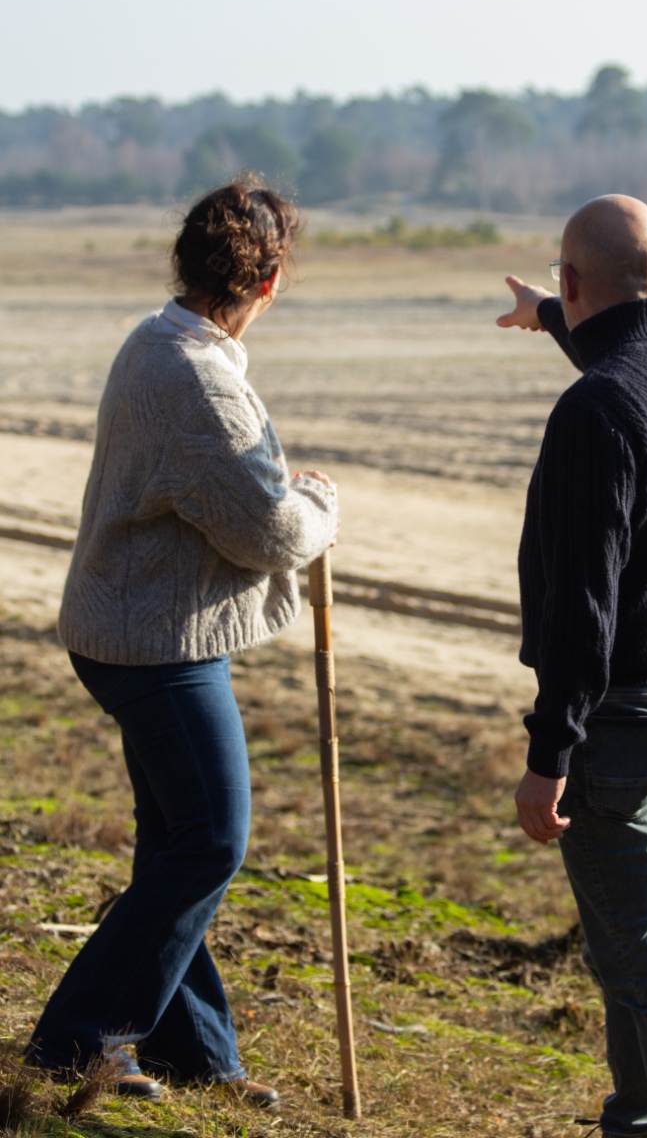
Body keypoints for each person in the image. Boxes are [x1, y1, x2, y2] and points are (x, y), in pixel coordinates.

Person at [26, 176, 339, 1108]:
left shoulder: (162, 338)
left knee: (175, 845)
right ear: (270, 278)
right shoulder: (195, 375)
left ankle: (195, 1053)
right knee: (211, 841)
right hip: (151, 643)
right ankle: (81, 1039)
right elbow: (268, 533)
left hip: (135, 626)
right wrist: (322, 506)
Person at [497, 195, 647, 1138]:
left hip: (621, 729)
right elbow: (623, 374)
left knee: (646, 957)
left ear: (570, 279)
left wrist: (547, 756)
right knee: (625, 945)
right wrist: (553, 316)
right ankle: (633, 1118)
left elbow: (580, 613)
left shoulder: (593, 412)